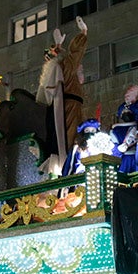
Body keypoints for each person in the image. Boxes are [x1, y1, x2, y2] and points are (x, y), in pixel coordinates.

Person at [36, 17, 88, 174]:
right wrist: (83, 33)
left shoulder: (57, 70)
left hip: (63, 108)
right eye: (80, 68)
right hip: (71, 108)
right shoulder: (67, 69)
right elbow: (74, 54)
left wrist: (58, 46)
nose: (81, 70)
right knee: (71, 139)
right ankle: (71, 169)